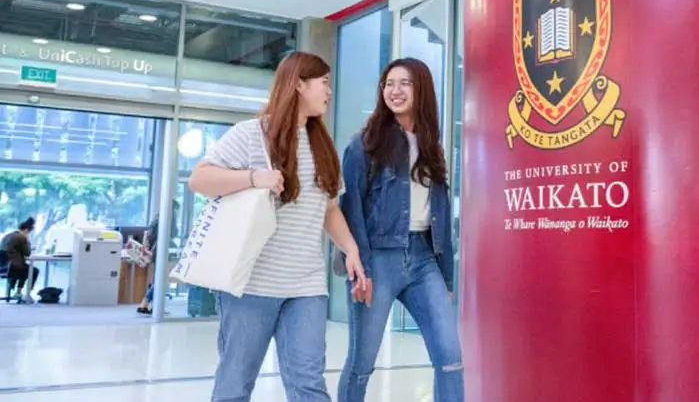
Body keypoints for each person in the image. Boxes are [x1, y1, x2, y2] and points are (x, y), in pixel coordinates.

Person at [188, 51, 366, 402]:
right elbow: (200, 179)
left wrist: (351, 249)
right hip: (251, 285)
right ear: (299, 84)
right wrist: (254, 177)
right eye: (325, 82)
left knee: (309, 385)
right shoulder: (252, 134)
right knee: (235, 384)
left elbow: (329, 209)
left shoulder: (322, 146)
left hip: (307, 286)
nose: (330, 91)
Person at [337, 57, 464, 402]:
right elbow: (352, 210)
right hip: (378, 258)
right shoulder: (363, 144)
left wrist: (447, 279)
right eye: (389, 84)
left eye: (404, 83)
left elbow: (441, 214)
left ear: (420, 88)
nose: (395, 91)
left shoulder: (432, 146)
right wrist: (359, 265)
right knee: (361, 363)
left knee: (451, 359)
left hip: (425, 260)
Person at [137, 200, 179, 315]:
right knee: (161, 280)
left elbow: (149, 235)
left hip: (155, 251)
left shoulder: (156, 218)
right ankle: (146, 303)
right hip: (163, 250)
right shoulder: (169, 218)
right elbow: (174, 232)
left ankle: (148, 305)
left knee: (157, 279)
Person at [1, 217, 39, 300]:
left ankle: (17, 291)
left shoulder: (8, 235)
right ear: (26, 230)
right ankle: (26, 294)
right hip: (14, 266)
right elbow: (27, 253)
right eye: (28, 233)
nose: (28, 234)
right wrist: (27, 242)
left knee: (26, 268)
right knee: (33, 270)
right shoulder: (21, 237)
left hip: (4, 266)